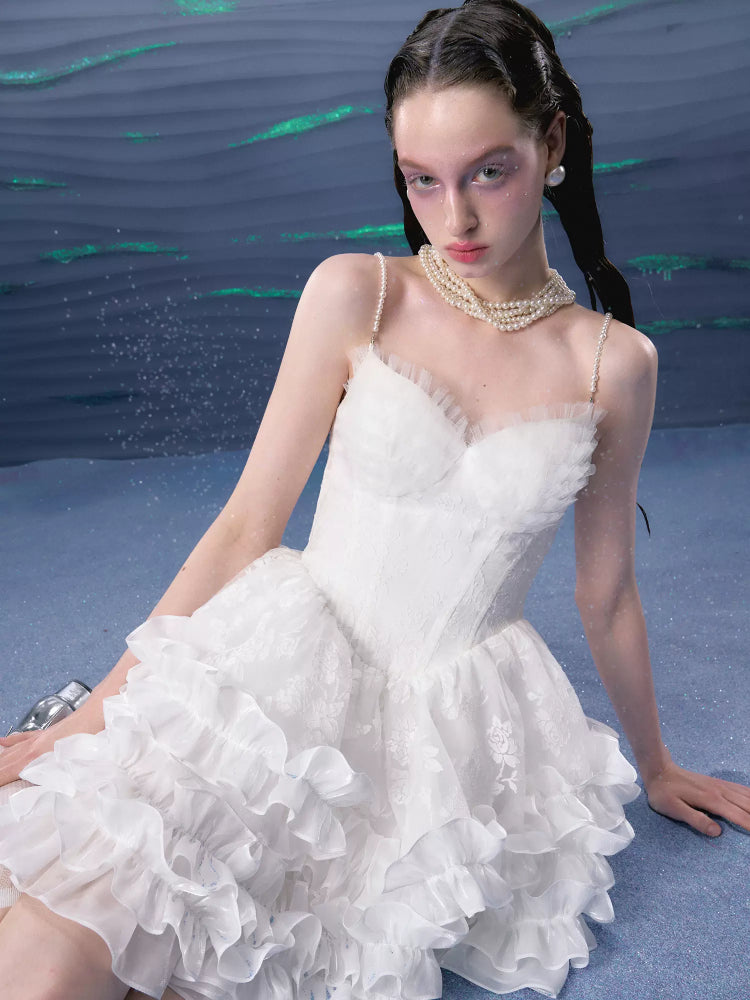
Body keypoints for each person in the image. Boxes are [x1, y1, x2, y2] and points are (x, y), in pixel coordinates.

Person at [0, 1, 748, 998]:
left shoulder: (616, 365)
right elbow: (246, 524)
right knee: (62, 951)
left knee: (220, 960)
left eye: (489, 171)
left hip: (451, 743)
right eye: (422, 179)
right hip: (283, 673)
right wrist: (87, 722)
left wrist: (657, 766)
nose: (456, 218)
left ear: (554, 142)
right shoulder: (360, 292)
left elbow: (605, 592)